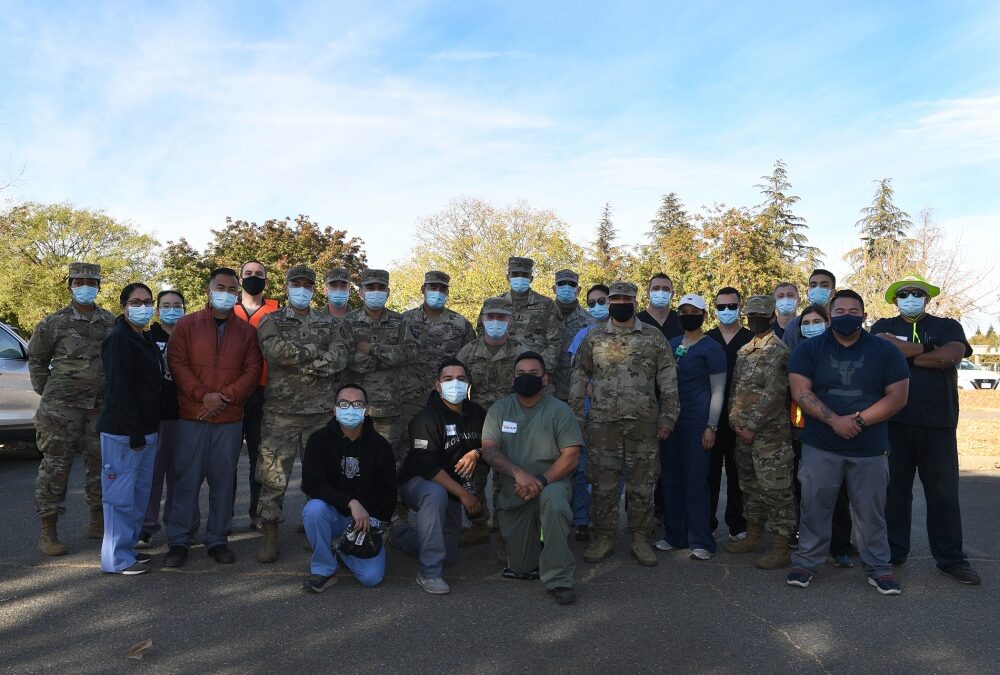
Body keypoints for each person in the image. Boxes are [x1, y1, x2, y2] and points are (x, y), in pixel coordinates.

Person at [787, 290, 910, 595]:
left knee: (871, 512)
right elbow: (800, 391)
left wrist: (857, 422)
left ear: (865, 316)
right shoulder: (809, 349)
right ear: (830, 317)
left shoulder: (885, 351)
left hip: (869, 447)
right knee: (815, 506)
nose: (846, 315)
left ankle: (879, 568)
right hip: (820, 444)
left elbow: (898, 397)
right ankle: (806, 562)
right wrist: (833, 421)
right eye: (839, 310)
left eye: (854, 310)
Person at [871, 275, 981, 585]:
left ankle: (951, 559)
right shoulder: (882, 325)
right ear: (895, 300)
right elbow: (884, 347)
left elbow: (953, 354)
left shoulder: (948, 325)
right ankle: (892, 553)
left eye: (917, 293)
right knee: (894, 493)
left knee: (943, 495)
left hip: (938, 424)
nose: (910, 298)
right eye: (903, 294)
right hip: (893, 423)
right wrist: (930, 352)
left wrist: (907, 352)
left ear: (927, 297)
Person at [571, 282, 678, 566]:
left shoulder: (653, 337)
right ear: (609, 302)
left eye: (625, 298)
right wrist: (576, 416)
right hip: (603, 422)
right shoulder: (594, 337)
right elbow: (580, 374)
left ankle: (640, 536)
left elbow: (667, 379)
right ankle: (604, 536)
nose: (620, 302)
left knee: (642, 482)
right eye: (614, 298)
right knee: (602, 481)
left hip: (644, 423)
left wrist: (668, 417)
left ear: (634, 300)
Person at [164, 268, 263, 568]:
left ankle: (217, 538)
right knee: (186, 481)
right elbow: (177, 363)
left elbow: (252, 370)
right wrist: (202, 395)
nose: (225, 292)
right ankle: (180, 540)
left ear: (237, 292)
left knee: (223, 482)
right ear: (208, 291)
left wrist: (225, 398)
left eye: (231, 288)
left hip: (229, 419)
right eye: (219, 287)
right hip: (192, 417)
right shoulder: (186, 324)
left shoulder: (247, 332)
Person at [255, 266, 353, 563]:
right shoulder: (271, 320)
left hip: (320, 412)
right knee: (273, 475)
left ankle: (316, 530)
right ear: (285, 288)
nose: (301, 289)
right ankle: (269, 532)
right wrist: (314, 352)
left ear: (313, 289)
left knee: (321, 475)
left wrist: (301, 359)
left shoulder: (327, 323)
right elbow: (274, 353)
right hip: (281, 412)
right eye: (295, 284)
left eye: (307, 285)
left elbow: (339, 358)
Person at [28, 262, 116, 555]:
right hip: (61, 410)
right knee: (56, 467)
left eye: (91, 282)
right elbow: (37, 361)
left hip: (98, 407)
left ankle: (98, 522)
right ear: (70, 285)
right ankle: (48, 530)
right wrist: (50, 392)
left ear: (99, 286)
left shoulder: (110, 322)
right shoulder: (53, 322)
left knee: (101, 465)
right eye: (80, 282)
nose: (86, 287)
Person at [481, 351, 582, 605]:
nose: (527, 378)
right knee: (522, 566)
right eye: (521, 374)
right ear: (513, 379)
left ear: (545, 379)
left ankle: (559, 579)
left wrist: (541, 481)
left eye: (534, 374)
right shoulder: (499, 409)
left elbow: (571, 456)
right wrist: (519, 473)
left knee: (555, 503)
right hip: (515, 489)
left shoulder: (560, 410)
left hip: (551, 483)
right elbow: (490, 450)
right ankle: (540, 550)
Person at [393, 359, 486, 594]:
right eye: (448, 379)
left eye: (461, 379)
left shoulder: (478, 413)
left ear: (468, 385)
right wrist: (464, 495)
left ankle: (398, 534)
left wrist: (477, 452)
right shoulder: (426, 418)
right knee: (435, 495)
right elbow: (427, 467)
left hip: (452, 489)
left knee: (447, 553)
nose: (455, 383)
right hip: (419, 483)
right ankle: (429, 573)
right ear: (438, 385)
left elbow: (494, 445)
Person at [300, 384, 397, 592]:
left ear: (366, 409)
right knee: (313, 510)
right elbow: (311, 484)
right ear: (334, 409)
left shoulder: (380, 446)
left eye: (357, 404)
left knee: (371, 578)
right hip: (334, 513)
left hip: (365, 522)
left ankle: (340, 548)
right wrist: (350, 502)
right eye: (344, 404)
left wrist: (374, 522)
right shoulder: (318, 440)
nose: (350, 409)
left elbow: (388, 493)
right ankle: (325, 569)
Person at [724, 296, 796, 569]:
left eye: (761, 314)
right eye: (751, 314)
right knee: (750, 487)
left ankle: (781, 545)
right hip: (743, 433)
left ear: (771, 316)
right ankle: (754, 534)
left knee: (776, 490)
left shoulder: (778, 350)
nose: (756, 319)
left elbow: (775, 394)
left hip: (769, 435)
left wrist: (751, 426)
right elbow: (736, 389)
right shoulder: (745, 350)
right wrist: (734, 421)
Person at [96, 283, 162, 575]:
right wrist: (133, 431)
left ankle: (128, 549)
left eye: (147, 301)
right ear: (123, 307)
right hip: (124, 433)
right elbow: (118, 390)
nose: (143, 306)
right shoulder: (118, 340)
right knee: (120, 498)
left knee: (138, 495)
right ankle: (116, 558)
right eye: (136, 302)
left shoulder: (143, 338)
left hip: (146, 429)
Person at [659, 294, 727, 560]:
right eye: (684, 311)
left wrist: (712, 426)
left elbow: (718, 391)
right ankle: (674, 535)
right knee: (671, 479)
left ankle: (701, 540)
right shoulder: (672, 344)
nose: (688, 315)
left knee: (696, 481)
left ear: (704, 315)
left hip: (698, 422)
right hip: (671, 421)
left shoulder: (712, 349)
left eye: (694, 311)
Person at [456, 297, 527, 549]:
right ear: (482, 319)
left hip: (511, 425)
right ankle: (478, 525)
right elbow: (455, 387)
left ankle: (505, 535)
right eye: (490, 316)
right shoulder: (468, 352)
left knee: (505, 483)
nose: (496, 321)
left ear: (510, 320)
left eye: (501, 317)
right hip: (476, 424)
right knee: (473, 479)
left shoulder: (522, 352)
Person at [793, 305, 856, 567]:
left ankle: (840, 545)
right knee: (806, 492)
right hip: (799, 431)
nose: (811, 326)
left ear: (828, 322)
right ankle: (807, 545)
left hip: (831, 429)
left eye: (816, 321)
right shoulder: (797, 352)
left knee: (838, 493)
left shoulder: (836, 354)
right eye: (805, 323)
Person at [343, 269, 420, 466]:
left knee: (386, 462)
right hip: (354, 409)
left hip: (388, 406)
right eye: (370, 287)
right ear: (360, 292)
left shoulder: (401, 321)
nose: (375, 291)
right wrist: (388, 358)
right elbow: (344, 356)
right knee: (352, 462)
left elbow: (410, 353)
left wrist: (371, 348)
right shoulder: (347, 322)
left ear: (388, 292)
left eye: (380, 287)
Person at [232, 261, 280, 527]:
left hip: (264, 393)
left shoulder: (277, 311)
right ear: (240, 280)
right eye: (248, 274)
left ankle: (257, 513)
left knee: (260, 458)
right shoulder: (226, 308)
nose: (253, 278)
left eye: (259, 274)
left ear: (266, 280)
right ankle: (222, 516)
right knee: (226, 458)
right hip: (232, 391)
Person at [705, 287, 752, 544]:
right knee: (709, 474)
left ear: (740, 307)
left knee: (738, 474)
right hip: (712, 419)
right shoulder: (707, 338)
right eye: (721, 307)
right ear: (715, 309)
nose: (726, 311)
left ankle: (738, 523)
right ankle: (708, 524)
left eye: (731, 306)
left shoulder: (751, 338)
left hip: (742, 419)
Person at [138, 290, 185, 547]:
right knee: (152, 475)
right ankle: (146, 526)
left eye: (177, 305)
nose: (172, 309)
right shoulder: (147, 338)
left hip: (185, 416)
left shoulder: (190, 336)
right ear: (157, 309)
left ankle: (176, 527)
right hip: (155, 417)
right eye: (166, 305)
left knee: (179, 475)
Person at [399, 271, 476, 429]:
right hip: (409, 399)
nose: (438, 292)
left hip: (447, 399)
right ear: (423, 289)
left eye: (442, 289)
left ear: (447, 292)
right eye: (433, 287)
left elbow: (470, 362)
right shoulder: (404, 320)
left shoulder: (461, 324)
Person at [565, 283, 610, 541]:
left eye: (601, 300)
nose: (596, 306)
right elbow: (577, 372)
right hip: (586, 410)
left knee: (612, 469)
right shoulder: (582, 335)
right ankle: (581, 519)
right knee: (582, 470)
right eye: (591, 302)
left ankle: (604, 520)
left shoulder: (625, 332)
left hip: (614, 413)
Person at [476, 256, 563, 379]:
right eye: (515, 274)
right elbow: (481, 336)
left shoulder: (546, 305)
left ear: (531, 278)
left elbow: (555, 341)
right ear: (508, 277)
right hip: (500, 371)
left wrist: (544, 369)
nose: (520, 277)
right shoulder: (493, 305)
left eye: (524, 274)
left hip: (534, 373)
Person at [552, 269, 594, 403]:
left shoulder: (589, 321)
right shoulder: (542, 316)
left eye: (572, 284)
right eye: (562, 283)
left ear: (579, 289)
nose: (567, 287)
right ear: (554, 288)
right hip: (546, 390)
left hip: (577, 393)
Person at [783, 268, 836, 352]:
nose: (818, 289)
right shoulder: (793, 325)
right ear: (808, 292)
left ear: (833, 293)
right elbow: (786, 360)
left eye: (824, 285)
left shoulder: (840, 323)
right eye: (813, 285)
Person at [636, 273, 683, 340]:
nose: (661, 292)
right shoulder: (636, 321)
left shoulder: (682, 321)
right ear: (648, 292)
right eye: (656, 288)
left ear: (672, 294)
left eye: (666, 289)